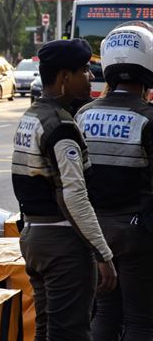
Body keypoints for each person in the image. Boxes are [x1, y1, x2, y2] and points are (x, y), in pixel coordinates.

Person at [11, 38, 117, 341]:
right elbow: (73, 196)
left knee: (45, 330)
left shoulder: (31, 116)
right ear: (64, 77)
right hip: (62, 245)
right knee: (69, 332)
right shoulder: (61, 126)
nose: (91, 76)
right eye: (84, 70)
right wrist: (103, 253)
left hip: (33, 238)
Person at [76, 21, 153, 341]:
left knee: (105, 312)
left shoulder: (83, 114)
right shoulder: (147, 118)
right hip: (136, 232)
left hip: (93, 233)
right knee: (141, 321)